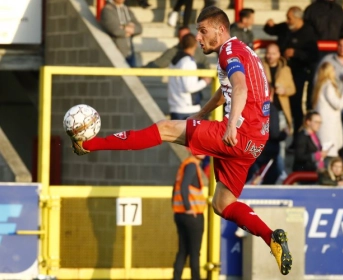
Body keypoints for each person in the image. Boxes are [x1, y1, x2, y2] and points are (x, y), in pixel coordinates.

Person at [71, 6, 292, 275]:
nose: (198, 37)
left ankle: (89, 144)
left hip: (239, 132)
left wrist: (231, 123)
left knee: (164, 128)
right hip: (256, 141)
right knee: (222, 204)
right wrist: (202, 113)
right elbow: (229, 91)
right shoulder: (245, 50)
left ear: (220, 30)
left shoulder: (229, 53)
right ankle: (272, 238)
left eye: (203, 31)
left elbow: (240, 88)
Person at [263, 6, 319, 149]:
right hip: (280, 71)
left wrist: (296, 53)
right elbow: (270, 30)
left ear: (298, 18)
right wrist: (268, 24)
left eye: (290, 18)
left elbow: (313, 56)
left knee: (295, 106)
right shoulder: (286, 27)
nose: (287, 21)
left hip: (298, 73)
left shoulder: (308, 32)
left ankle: (296, 139)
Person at [262, 42, 296, 179]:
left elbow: (293, 89)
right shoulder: (260, 67)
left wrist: (284, 91)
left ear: (279, 54)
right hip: (263, 111)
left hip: (280, 111)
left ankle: (280, 171)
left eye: (273, 53)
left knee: (280, 144)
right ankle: (266, 172)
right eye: (268, 53)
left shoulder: (285, 69)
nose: (270, 56)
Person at [172, 152, 206, 280]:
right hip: (192, 216)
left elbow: (175, 187)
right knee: (194, 253)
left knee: (183, 251)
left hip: (180, 214)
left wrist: (179, 209)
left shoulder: (185, 164)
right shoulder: (192, 165)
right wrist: (188, 208)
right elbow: (183, 186)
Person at [312, 62, 343, 160]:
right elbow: (338, 104)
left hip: (324, 128)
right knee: (330, 157)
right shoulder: (328, 86)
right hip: (329, 129)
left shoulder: (319, 86)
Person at [168, 33, 211, 120]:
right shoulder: (188, 62)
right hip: (188, 109)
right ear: (195, 45)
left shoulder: (174, 60)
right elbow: (189, 87)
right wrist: (205, 81)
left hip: (176, 108)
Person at [100, 0, 143, 67]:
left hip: (130, 52)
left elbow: (139, 28)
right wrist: (129, 28)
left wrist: (124, 28)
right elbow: (115, 30)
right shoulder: (107, 10)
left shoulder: (127, 10)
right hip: (116, 52)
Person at [145, 27, 210, 70]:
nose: (186, 39)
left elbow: (207, 67)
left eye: (187, 36)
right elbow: (157, 64)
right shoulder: (173, 52)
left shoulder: (198, 52)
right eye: (183, 37)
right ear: (178, 38)